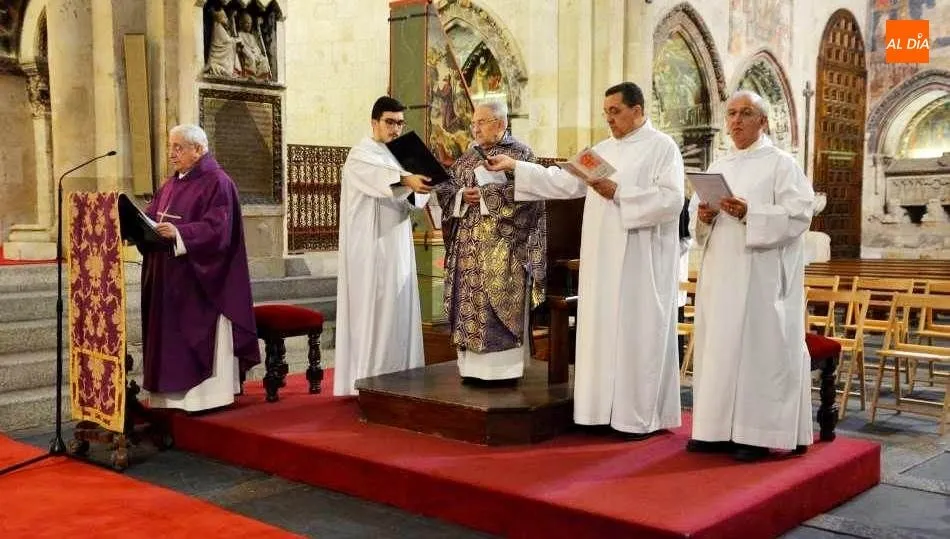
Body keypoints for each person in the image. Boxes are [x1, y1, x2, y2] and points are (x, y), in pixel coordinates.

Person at [486, 82, 683, 439]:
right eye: (606, 112)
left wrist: (620, 193)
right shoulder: (601, 151)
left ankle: (636, 418)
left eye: (616, 111)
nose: (609, 119)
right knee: (601, 331)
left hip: (640, 262)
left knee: (635, 333)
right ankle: (599, 412)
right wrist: (516, 165)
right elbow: (562, 183)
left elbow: (672, 201)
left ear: (638, 110)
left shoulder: (662, 148)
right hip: (601, 258)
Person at [687, 90, 815, 462]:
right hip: (721, 273)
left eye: (745, 114)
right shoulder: (719, 165)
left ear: (763, 121)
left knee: (759, 349)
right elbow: (699, 215)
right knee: (719, 348)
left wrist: (750, 213)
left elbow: (799, 214)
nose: (736, 121)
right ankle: (715, 429)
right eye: (731, 114)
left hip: (762, 276)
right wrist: (704, 217)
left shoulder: (781, 164)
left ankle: (755, 434)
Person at [143, 124, 259, 412]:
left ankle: (204, 398)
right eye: (171, 146)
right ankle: (168, 397)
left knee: (195, 336)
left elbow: (218, 229)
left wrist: (180, 233)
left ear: (198, 149)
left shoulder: (217, 182)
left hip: (200, 282)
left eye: (178, 147)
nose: (172, 153)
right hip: (169, 278)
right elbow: (152, 215)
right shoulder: (171, 184)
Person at [433, 100, 546, 383]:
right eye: (473, 123)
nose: (475, 128)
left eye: (481, 122)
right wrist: (461, 196)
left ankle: (502, 371)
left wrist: (486, 197)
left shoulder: (521, 154)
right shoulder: (468, 156)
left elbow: (531, 199)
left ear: (500, 123)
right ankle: (471, 370)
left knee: (496, 307)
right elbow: (447, 187)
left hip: (504, 247)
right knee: (469, 304)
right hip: (467, 245)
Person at [333, 96, 432, 396]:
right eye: (390, 122)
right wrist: (407, 179)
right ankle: (371, 382)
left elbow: (417, 198)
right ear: (374, 122)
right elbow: (382, 180)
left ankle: (401, 377)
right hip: (370, 249)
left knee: (398, 310)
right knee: (375, 313)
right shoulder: (361, 153)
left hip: (397, 246)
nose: (396, 129)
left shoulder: (401, 155)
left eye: (400, 123)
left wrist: (424, 184)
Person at [236, 12, 272, 80]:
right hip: (246, 52)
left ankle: (261, 77)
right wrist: (246, 49)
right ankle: (250, 74)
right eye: (247, 23)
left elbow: (255, 46)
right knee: (251, 57)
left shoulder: (252, 36)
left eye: (250, 23)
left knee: (264, 59)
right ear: (241, 24)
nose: (249, 25)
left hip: (254, 52)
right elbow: (240, 44)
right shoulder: (240, 34)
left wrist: (257, 52)